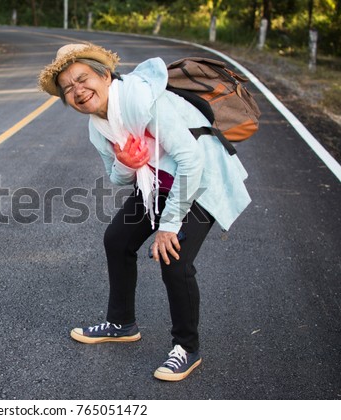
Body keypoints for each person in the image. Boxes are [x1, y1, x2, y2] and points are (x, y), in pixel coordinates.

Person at [38, 43, 251, 382]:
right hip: (155, 181)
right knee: (117, 239)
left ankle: (186, 348)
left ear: (105, 75)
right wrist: (126, 163)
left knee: (174, 258)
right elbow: (116, 175)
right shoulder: (98, 126)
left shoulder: (143, 99)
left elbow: (191, 160)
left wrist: (169, 226)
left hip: (200, 181)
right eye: (67, 88)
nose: (77, 91)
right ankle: (122, 323)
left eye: (82, 79)